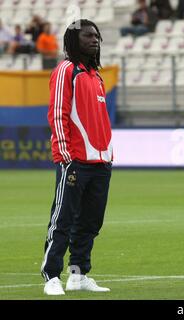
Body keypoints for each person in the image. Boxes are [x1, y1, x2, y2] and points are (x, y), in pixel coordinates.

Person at [41, 19, 113, 296]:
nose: (94, 39)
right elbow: (57, 113)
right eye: (87, 35)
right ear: (73, 39)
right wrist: (65, 155)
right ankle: (51, 276)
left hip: (100, 162)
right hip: (74, 160)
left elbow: (101, 120)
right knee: (63, 219)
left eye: (96, 35)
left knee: (90, 223)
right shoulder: (66, 70)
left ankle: (78, 274)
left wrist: (107, 153)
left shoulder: (95, 75)